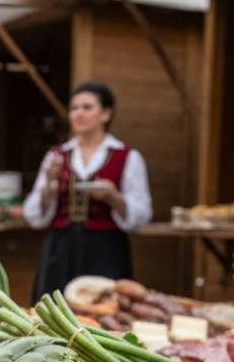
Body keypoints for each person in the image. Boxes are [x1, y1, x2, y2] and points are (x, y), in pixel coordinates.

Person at [22, 80, 153, 299]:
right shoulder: (56, 156)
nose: (78, 114)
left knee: (104, 312)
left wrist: (113, 197)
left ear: (106, 114)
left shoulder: (127, 157)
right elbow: (34, 215)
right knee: (52, 312)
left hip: (105, 248)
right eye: (74, 108)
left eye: (87, 107)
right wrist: (49, 185)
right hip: (60, 247)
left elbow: (141, 215)